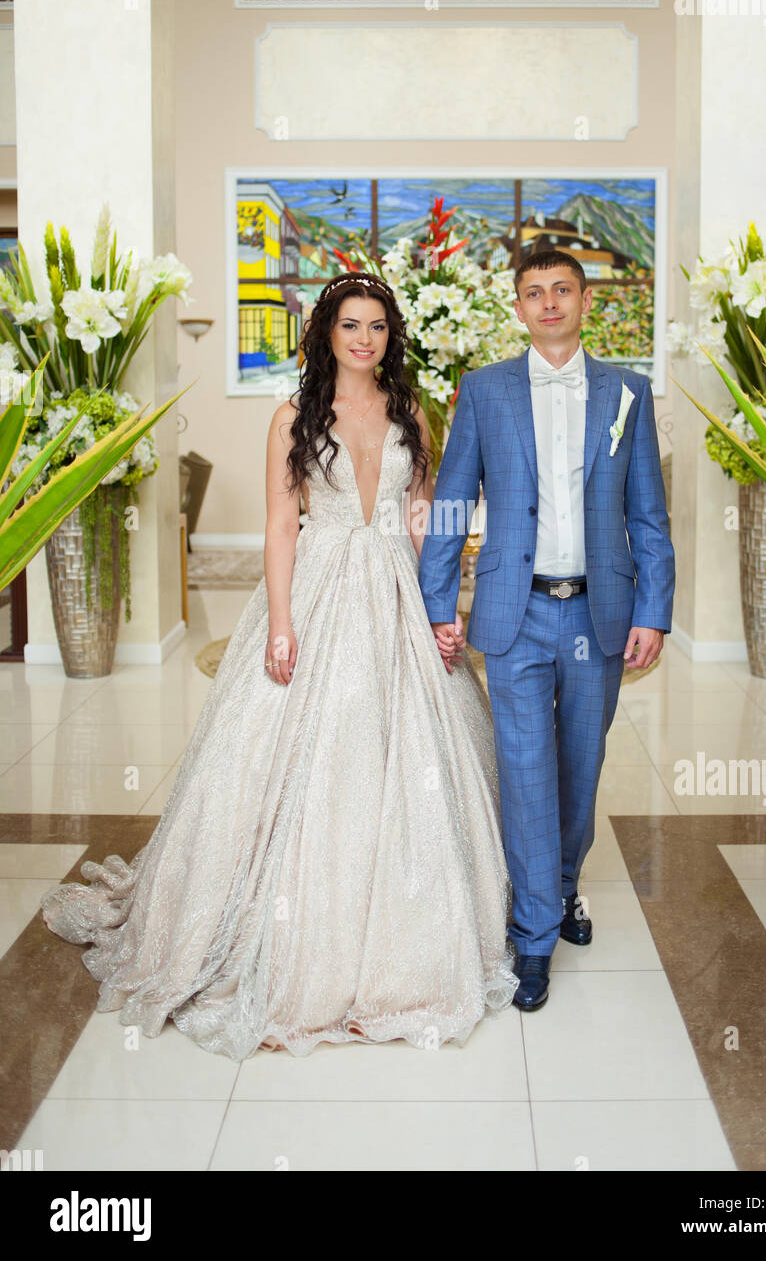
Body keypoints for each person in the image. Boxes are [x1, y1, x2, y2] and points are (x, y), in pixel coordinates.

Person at [40, 271, 517, 1061]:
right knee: (304, 754)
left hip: (397, 586)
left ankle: (404, 947)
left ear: (391, 337)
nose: (365, 339)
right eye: (350, 326)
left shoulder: (412, 414)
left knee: (414, 757)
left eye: (377, 327)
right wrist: (282, 624)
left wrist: (445, 608)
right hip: (322, 588)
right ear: (326, 334)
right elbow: (280, 527)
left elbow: (430, 518)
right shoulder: (292, 417)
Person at [418, 250, 675, 1012]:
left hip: (600, 611)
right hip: (514, 609)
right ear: (519, 307)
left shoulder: (628, 392)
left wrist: (653, 609)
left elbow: (648, 514)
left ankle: (562, 889)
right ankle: (532, 937)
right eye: (535, 293)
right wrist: (441, 601)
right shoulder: (485, 391)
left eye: (562, 289)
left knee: (579, 765)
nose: (549, 303)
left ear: (585, 300)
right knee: (526, 769)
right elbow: (455, 502)